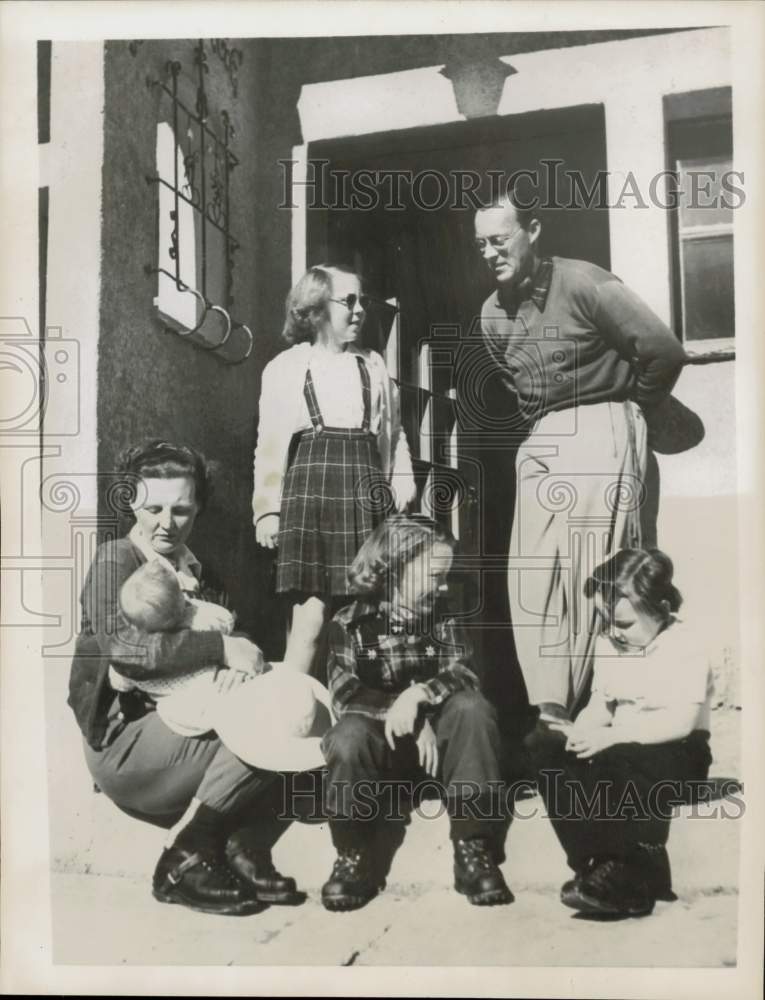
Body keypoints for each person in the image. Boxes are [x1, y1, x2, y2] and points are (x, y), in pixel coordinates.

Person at [69, 440, 307, 916]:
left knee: (285, 699)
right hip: (128, 742)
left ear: (198, 507)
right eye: (152, 507)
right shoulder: (117, 561)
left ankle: (241, 847)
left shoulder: (200, 572)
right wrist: (220, 649)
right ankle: (183, 859)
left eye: (181, 509)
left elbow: (232, 635)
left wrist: (239, 663)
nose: (165, 522)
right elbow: (128, 650)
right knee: (265, 724)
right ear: (130, 501)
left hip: (189, 723)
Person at [475, 191, 687, 722]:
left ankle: (605, 707)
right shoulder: (491, 316)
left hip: (603, 425)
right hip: (543, 439)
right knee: (531, 578)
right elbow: (514, 380)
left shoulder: (585, 281)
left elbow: (663, 350)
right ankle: (551, 714)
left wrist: (630, 412)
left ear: (532, 231)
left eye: (500, 239)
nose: (490, 253)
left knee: (596, 571)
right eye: (480, 244)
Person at [320, 514, 513, 912]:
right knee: (348, 735)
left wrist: (420, 695)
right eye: (434, 575)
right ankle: (352, 854)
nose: (442, 585)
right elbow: (345, 694)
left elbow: (463, 672)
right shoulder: (349, 624)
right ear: (394, 567)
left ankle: (473, 847)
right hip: (382, 761)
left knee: (472, 708)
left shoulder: (442, 618)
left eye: (445, 576)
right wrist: (403, 710)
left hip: (441, 760)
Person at [525, 548, 713, 917]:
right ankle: (592, 867)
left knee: (615, 759)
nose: (613, 632)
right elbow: (601, 704)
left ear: (658, 607)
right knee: (543, 744)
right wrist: (579, 731)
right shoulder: (608, 643)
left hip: (678, 751)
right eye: (605, 621)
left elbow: (681, 723)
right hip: (622, 746)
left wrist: (611, 736)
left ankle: (629, 875)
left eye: (624, 624)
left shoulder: (686, 645)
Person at [252, 264, 416, 676]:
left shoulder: (374, 365)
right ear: (316, 309)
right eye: (349, 301)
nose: (360, 310)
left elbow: (393, 435)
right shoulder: (287, 367)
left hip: (366, 491)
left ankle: (359, 712)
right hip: (313, 490)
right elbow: (269, 445)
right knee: (311, 616)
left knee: (368, 613)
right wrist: (268, 509)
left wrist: (401, 479)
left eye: (363, 300)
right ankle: (291, 709)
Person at [112, 559, 333, 768]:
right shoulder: (200, 616)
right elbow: (225, 621)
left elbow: (121, 680)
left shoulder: (141, 634)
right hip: (208, 692)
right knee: (244, 694)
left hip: (181, 708)